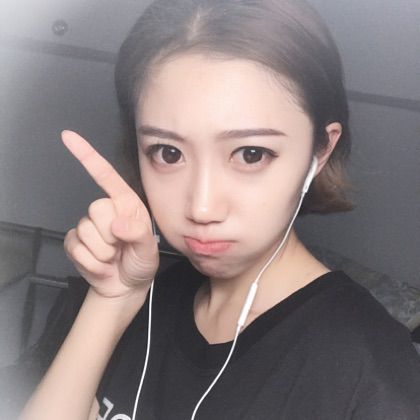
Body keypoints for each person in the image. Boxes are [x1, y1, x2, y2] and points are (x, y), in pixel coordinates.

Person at [19, 0, 420, 419]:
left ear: (319, 150)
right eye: (168, 153)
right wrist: (110, 300)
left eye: (250, 154)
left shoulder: (369, 371)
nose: (202, 207)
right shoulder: (133, 299)